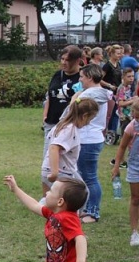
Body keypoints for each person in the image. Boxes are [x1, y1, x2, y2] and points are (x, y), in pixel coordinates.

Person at [73, 64, 112, 224]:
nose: (80, 79)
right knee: (85, 176)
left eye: (82, 76)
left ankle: (93, 212)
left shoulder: (90, 94)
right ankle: (87, 208)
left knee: (90, 177)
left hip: (88, 140)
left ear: (89, 77)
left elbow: (73, 112)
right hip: (91, 138)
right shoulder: (100, 93)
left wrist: (75, 98)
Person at [41, 98, 99, 196]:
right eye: (90, 119)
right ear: (84, 116)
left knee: (83, 193)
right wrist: (54, 173)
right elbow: (54, 147)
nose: (88, 123)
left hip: (57, 170)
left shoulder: (63, 125)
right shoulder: (69, 130)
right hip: (61, 173)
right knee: (79, 196)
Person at [42, 45, 83, 165]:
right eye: (62, 59)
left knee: (67, 162)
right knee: (48, 160)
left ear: (77, 61)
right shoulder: (57, 75)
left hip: (70, 124)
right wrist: (45, 116)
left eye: (68, 60)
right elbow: (49, 96)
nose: (64, 62)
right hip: (52, 123)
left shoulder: (82, 77)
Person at [111, 99, 139, 246]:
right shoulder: (131, 127)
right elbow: (122, 147)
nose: (135, 117)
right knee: (135, 198)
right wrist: (116, 166)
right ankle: (134, 232)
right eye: (135, 114)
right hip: (135, 166)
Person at [102, 44, 123, 144]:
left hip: (117, 92)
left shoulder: (118, 64)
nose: (120, 55)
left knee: (116, 114)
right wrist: (109, 85)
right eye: (118, 53)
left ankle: (112, 134)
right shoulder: (107, 66)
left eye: (120, 53)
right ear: (112, 54)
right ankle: (105, 133)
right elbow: (99, 79)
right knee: (108, 115)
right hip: (108, 92)